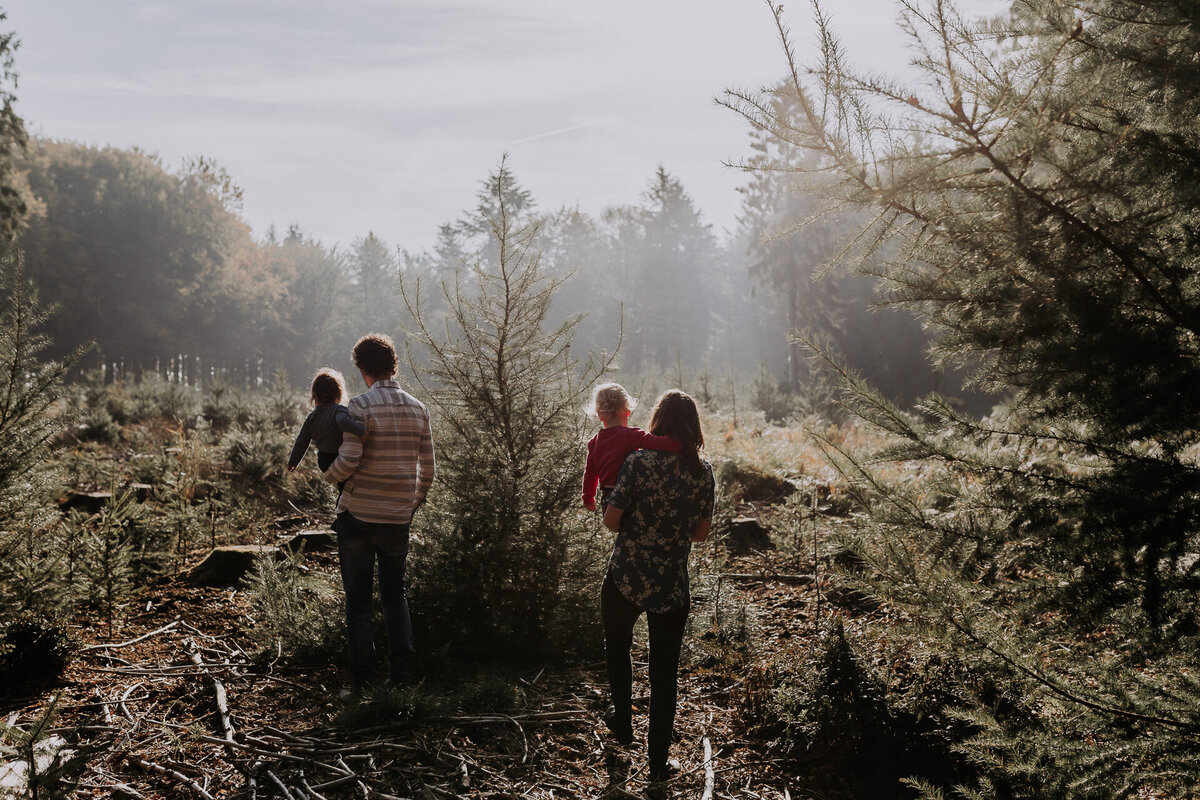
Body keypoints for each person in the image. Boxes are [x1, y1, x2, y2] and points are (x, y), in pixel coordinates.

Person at [600, 390, 714, 793]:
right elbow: (701, 535)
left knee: (617, 646)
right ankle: (658, 763)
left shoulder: (637, 462)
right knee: (665, 673)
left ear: (657, 421)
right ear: (693, 426)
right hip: (670, 584)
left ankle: (622, 720)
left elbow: (612, 523)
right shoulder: (703, 471)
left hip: (626, 576)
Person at [324, 333, 435, 695]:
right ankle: (401, 680)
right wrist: (410, 504)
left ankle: (362, 685)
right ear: (393, 365)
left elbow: (350, 459)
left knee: (358, 604)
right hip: (397, 519)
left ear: (361, 367)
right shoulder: (419, 408)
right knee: (394, 596)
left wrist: (329, 475)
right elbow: (428, 469)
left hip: (357, 516)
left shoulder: (359, 406)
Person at [582, 383, 680, 512]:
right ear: (627, 411)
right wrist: (680, 443)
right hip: (629, 495)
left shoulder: (594, 442)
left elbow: (590, 474)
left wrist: (588, 498)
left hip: (608, 500)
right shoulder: (631, 435)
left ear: (600, 414)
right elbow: (657, 442)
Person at [286, 368, 368, 495]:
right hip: (340, 457)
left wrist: (293, 462)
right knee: (348, 487)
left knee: (343, 487)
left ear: (315, 396)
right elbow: (342, 421)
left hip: (323, 461)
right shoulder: (338, 410)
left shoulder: (311, 417)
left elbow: (302, 441)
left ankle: (343, 505)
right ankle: (346, 510)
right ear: (338, 394)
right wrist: (362, 432)